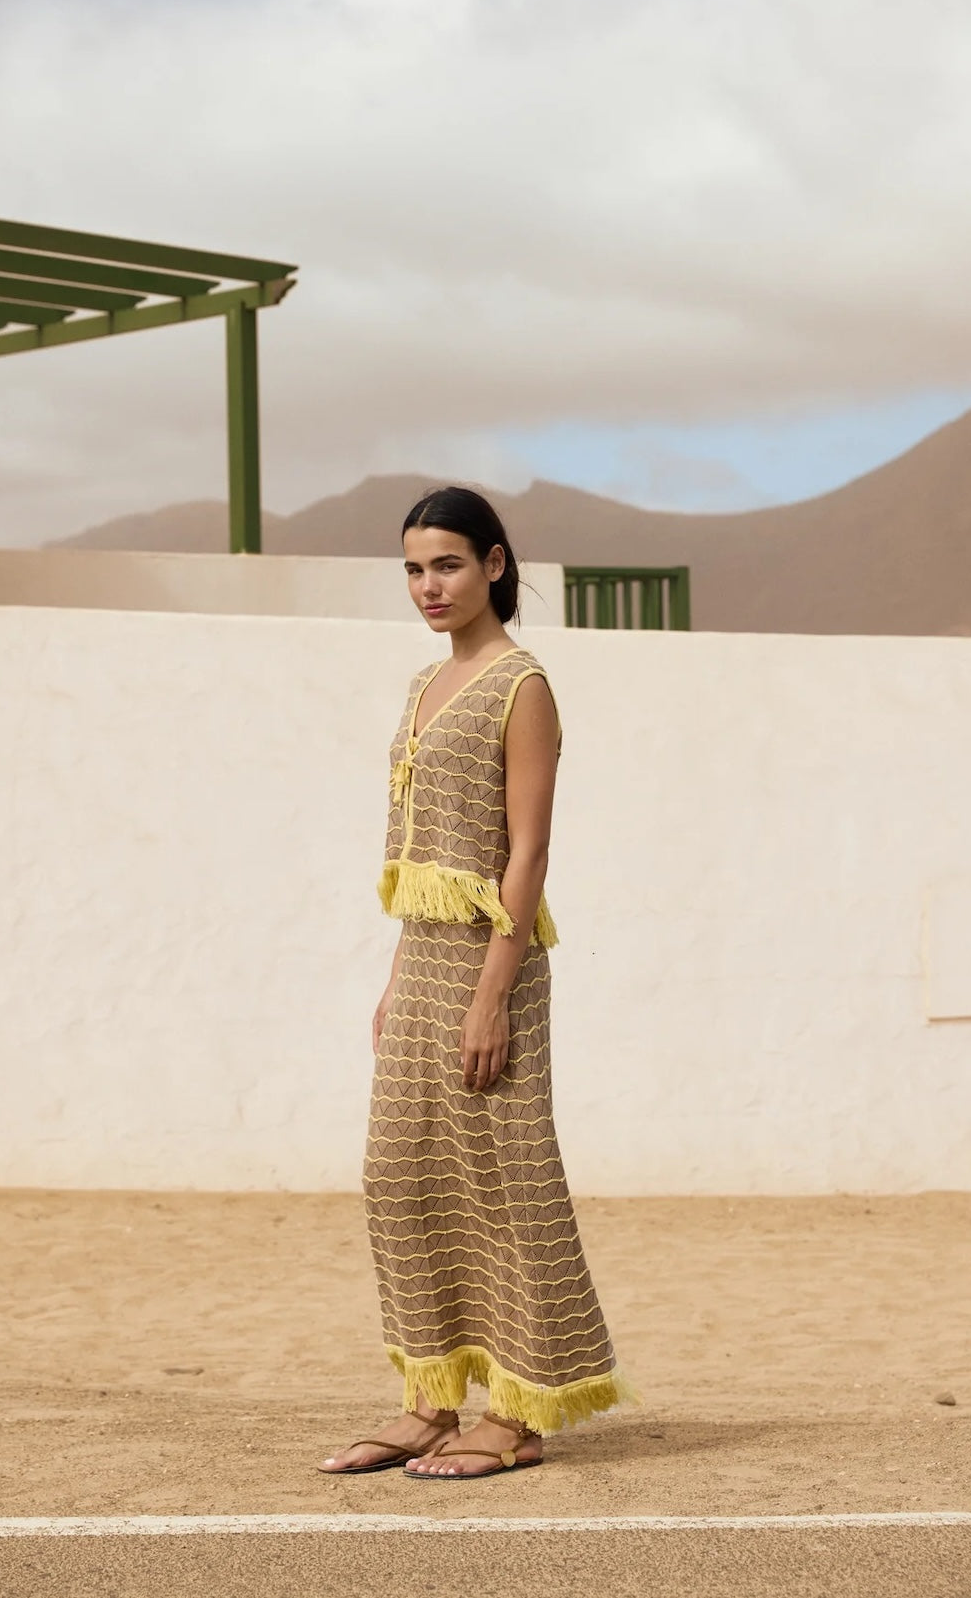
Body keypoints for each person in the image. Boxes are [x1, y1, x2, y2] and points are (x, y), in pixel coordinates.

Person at [319, 486, 632, 1481]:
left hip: (494, 964)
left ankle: (517, 1415)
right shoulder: (424, 682)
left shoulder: (520, 684)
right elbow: (421, 859)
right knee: (400, 1174)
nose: (429, 585)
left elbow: (526, 851)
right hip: (422, 963)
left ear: (495, 565)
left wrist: (491, 994)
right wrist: (397, 979)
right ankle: (429, 1401)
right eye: (414, 568)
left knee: (506, 1183)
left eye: (447, 564)